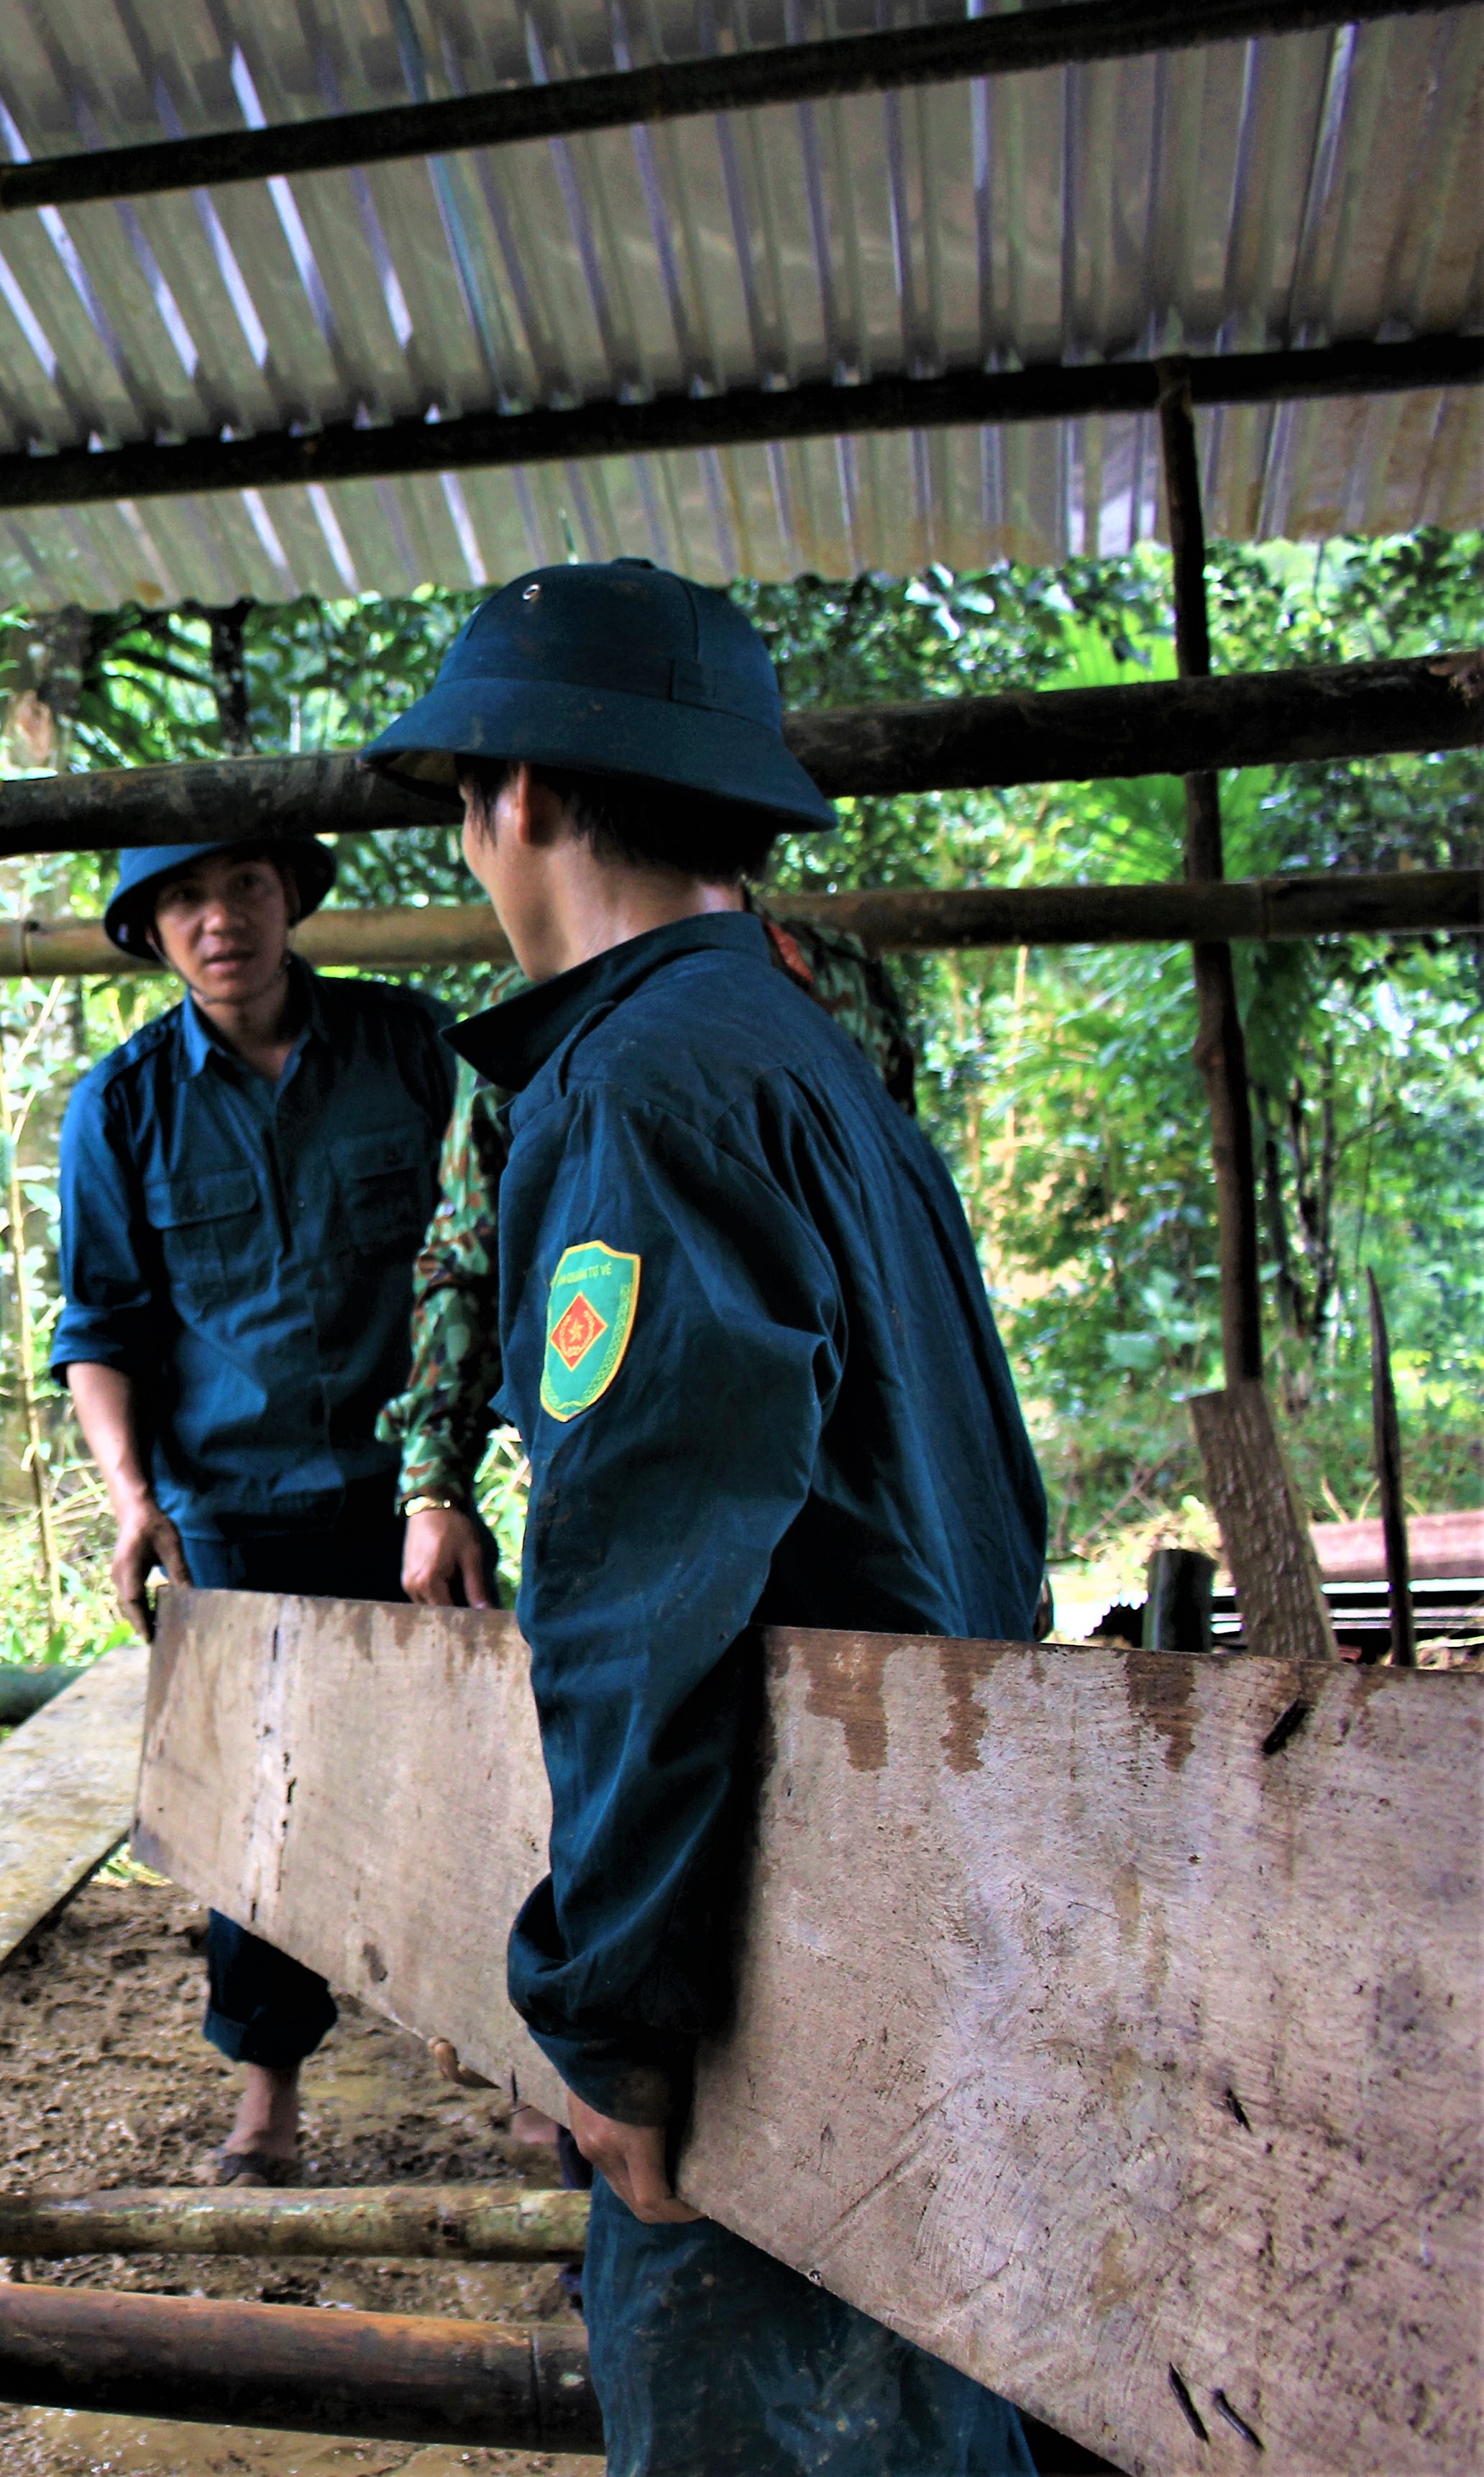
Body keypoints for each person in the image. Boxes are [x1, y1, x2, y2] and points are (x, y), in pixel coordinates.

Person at [361, 559, 1044, 2474]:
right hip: (920, 1869)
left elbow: (643, 1591)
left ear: (520, 794)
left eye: (460, 804)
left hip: (767, 1936)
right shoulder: (809, 1065)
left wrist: (611, 2016)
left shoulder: (638, 1091)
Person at [50, 827, 459, 2185]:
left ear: (288, 898)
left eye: (239, 886)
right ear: (152, 933)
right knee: (253, 1813)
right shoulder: (118, 1107)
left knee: (465, 1776)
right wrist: (129, 1494)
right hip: (228, 1508)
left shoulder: (414, 1050)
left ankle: (513, 2068)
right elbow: (100, 1324)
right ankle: (267, 2101)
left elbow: (489, 1257)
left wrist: (451, 1472)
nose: (215, 918)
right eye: (179, 898)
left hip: (415, 1492)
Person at [383, 914, 922, 1611]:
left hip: (853, 1443)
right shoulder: (532, 1007)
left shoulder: (834, 977)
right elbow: (468, 1256)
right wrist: (436, 1484)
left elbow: (899, 1234)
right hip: (641, 1461)